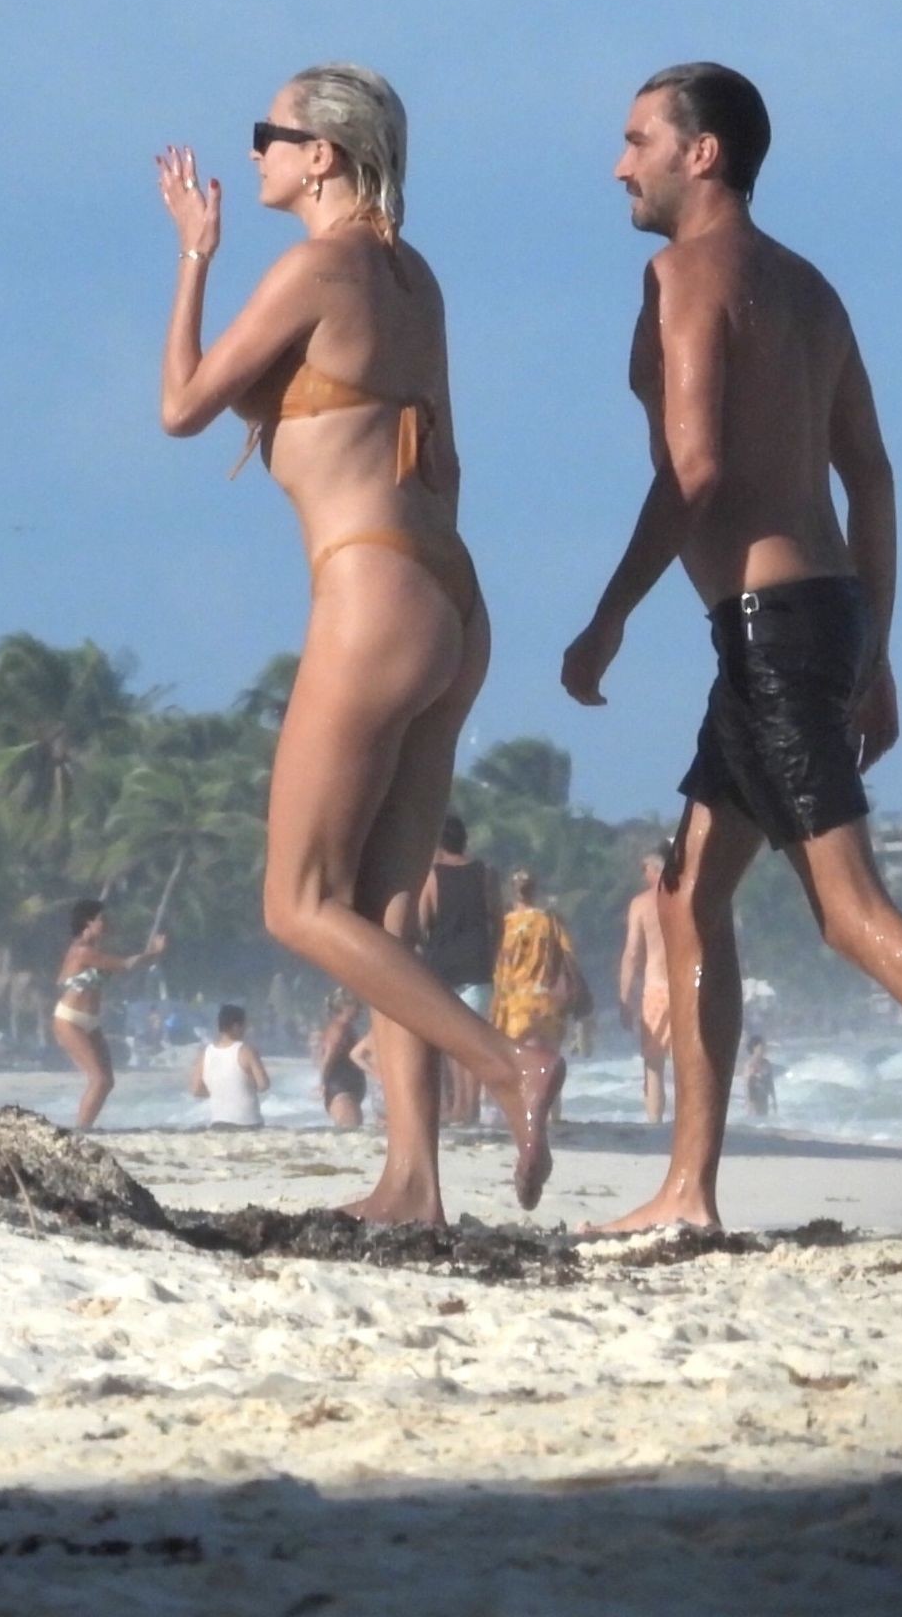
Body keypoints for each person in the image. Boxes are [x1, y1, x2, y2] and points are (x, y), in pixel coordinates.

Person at [562, 61, 902, 1235]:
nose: (618, 166)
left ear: (702, 153)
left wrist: (609, 616)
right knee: (688, 899)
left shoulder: (681, 277)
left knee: (850, 912)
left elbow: (695, 470)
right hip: (810, 621)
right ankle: (688, 1189)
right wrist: (877, 645)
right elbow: (870, 476)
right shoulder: (810, 290)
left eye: (637, 140)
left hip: (770, 634)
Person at [155, 63, 564, 1219]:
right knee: (386, 916)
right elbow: (440, 455)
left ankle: (510, 1066)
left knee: (298, 903)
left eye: (270, 133)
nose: (256, 153)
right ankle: (413, 1180)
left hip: (372, 591)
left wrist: (194, 256)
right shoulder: (412, 278)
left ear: (322, 155)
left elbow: (181, 408)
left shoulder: (314, 270)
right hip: (451, 597)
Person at [51, 899, 166, 1129]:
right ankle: (80, 1131)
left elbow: (122, 968)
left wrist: (153, 955)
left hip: (90, 1022)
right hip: (70, 1019)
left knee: (107, 1081)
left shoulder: (93, 951)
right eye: (102, 919)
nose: (107, 923)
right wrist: (154, 953)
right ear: (88, 922)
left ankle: (84, 1127)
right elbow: (125, 965)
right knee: (99, 1079)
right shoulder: (81, 951)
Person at [419, 813, 503, 1124]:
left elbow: (423, 922)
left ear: (438, 843)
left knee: (454, 1043)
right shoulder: (486, 874)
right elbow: (498, 920)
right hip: (478, 966)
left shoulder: (433, 877)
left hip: (444, 968)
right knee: (475, 1042)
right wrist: (492, 954)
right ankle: (471, 1107)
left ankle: (460, 1108)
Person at [491, 871, 583, 1071]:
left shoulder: (504, 926)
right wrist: (579, 1000)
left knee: (523, 1072)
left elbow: (498, 969)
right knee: (549, 1070)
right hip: (547, 1004)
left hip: (515, 1009)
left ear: (512, 892)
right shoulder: (549, 921)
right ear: (534, 891)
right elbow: (569, 958)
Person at [618, 847, 672, 1123]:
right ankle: (691, 1128)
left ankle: (655, 1124)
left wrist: (624, 997)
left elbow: (632, 953)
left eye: (644, 869)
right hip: (687, 989)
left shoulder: (641, 904)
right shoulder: (687, 898)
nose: (643, 875)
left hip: (657, 990)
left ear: (654, 869)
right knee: (688, 1065)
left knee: (654, 1065)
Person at [191, 1003, 270, 1129]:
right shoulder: (246, 1051)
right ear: (236, 1026)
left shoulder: (205, 1053)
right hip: (248, 1123)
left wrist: (220, 1092)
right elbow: (263, 1085)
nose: (247, 1029)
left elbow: (196, 1090)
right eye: (245, 1025)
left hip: (218, 1123)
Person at [318, 990, 370, 1131]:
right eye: (357, 1005)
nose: (360, 1009)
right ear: (345, 1007)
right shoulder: (338, 1029)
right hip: (341, 1088)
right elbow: (327, 1057)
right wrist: (322, 1082)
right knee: (351, 1131)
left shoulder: (346, 1028)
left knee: (354, 1131)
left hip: (346, 1087)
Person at [743, 1035, 777, 1119]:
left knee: (764, 1122)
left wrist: (774, 1100)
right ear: (754, 1048)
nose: (764, 1049)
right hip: (754, 1102)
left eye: (764, 1047)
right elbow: (747, 1086)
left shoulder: (767, 1063)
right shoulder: (749, 1065)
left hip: (764, 1100)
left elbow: (770, 1083)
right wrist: (749, 1103)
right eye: (761, 1047)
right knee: (755, 1122)